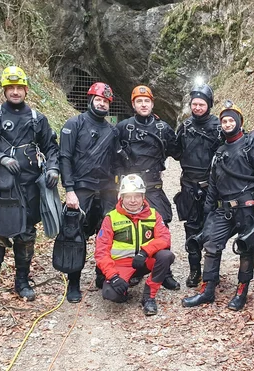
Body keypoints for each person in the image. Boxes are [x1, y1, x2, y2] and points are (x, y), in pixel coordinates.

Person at [0, 66, 60, 311]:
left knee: (25, 235)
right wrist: (1, 158)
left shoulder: (37, 118)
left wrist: (53, 169)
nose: (14, 92)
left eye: (18, 87)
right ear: (4, 90)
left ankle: (21, 281)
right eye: (10, 88)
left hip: (30, 187)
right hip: (2, 189)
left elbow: (52, 148)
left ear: (25, 89)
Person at [181, 101, 254, 311]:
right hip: (224, 209)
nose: (227, 124)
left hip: (247, 208)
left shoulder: (253, 146)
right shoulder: (219, 150)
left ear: (239, 122)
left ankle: (241, 292)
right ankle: (207, 291)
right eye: (224, 121)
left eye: (231, 120)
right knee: (211, 245)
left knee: (246, 249)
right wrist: (208, 206)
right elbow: (213, 181)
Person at [59, 82, 122, 303]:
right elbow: (64, 157)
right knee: (75, 236)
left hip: (105, 189)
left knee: (106, 234)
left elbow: (116, 162)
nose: (102, 103)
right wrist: (69, 190)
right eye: (98, 100)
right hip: (81, 188)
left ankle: (101, 274)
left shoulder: (112, 131)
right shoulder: (74, 124)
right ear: (90, 100)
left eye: (106, 101)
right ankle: (74, 283)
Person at [116, 85, 180, 290]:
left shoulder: (163, 128)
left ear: (152, 104)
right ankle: (132, 269)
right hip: (131, 189)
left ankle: (164, 271)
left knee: (162, 227)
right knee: (129, 229)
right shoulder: (124, 127)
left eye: (147, 101)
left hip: (153, 186)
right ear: (133, 105)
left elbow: (178, 152)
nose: (143, 105)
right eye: (139, 101)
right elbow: (111, 154)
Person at [94, 174, 174, 315]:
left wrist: (145, 252)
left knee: (166, 255)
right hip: (121, 265)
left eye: (137, 196)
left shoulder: (154, 215)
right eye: (128, 196)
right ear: (121, 197)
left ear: (143, 197)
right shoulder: (111, 218)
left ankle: (149, 297)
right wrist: (113, 276)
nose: (132, 201)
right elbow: (101, 252)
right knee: (112, 295)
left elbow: (165, 239)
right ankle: (123, 285)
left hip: (144, 261)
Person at [172, 84, 222, 288]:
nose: (198, 107)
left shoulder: (219, 127)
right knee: (191, 228)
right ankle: (195, 271)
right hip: (189, 186)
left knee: (212, 229)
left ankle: (212, 273)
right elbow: (175, 151)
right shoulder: (184, 127)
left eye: (202, 104)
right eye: (195, 104)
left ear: (209, 105)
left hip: (212, 186)